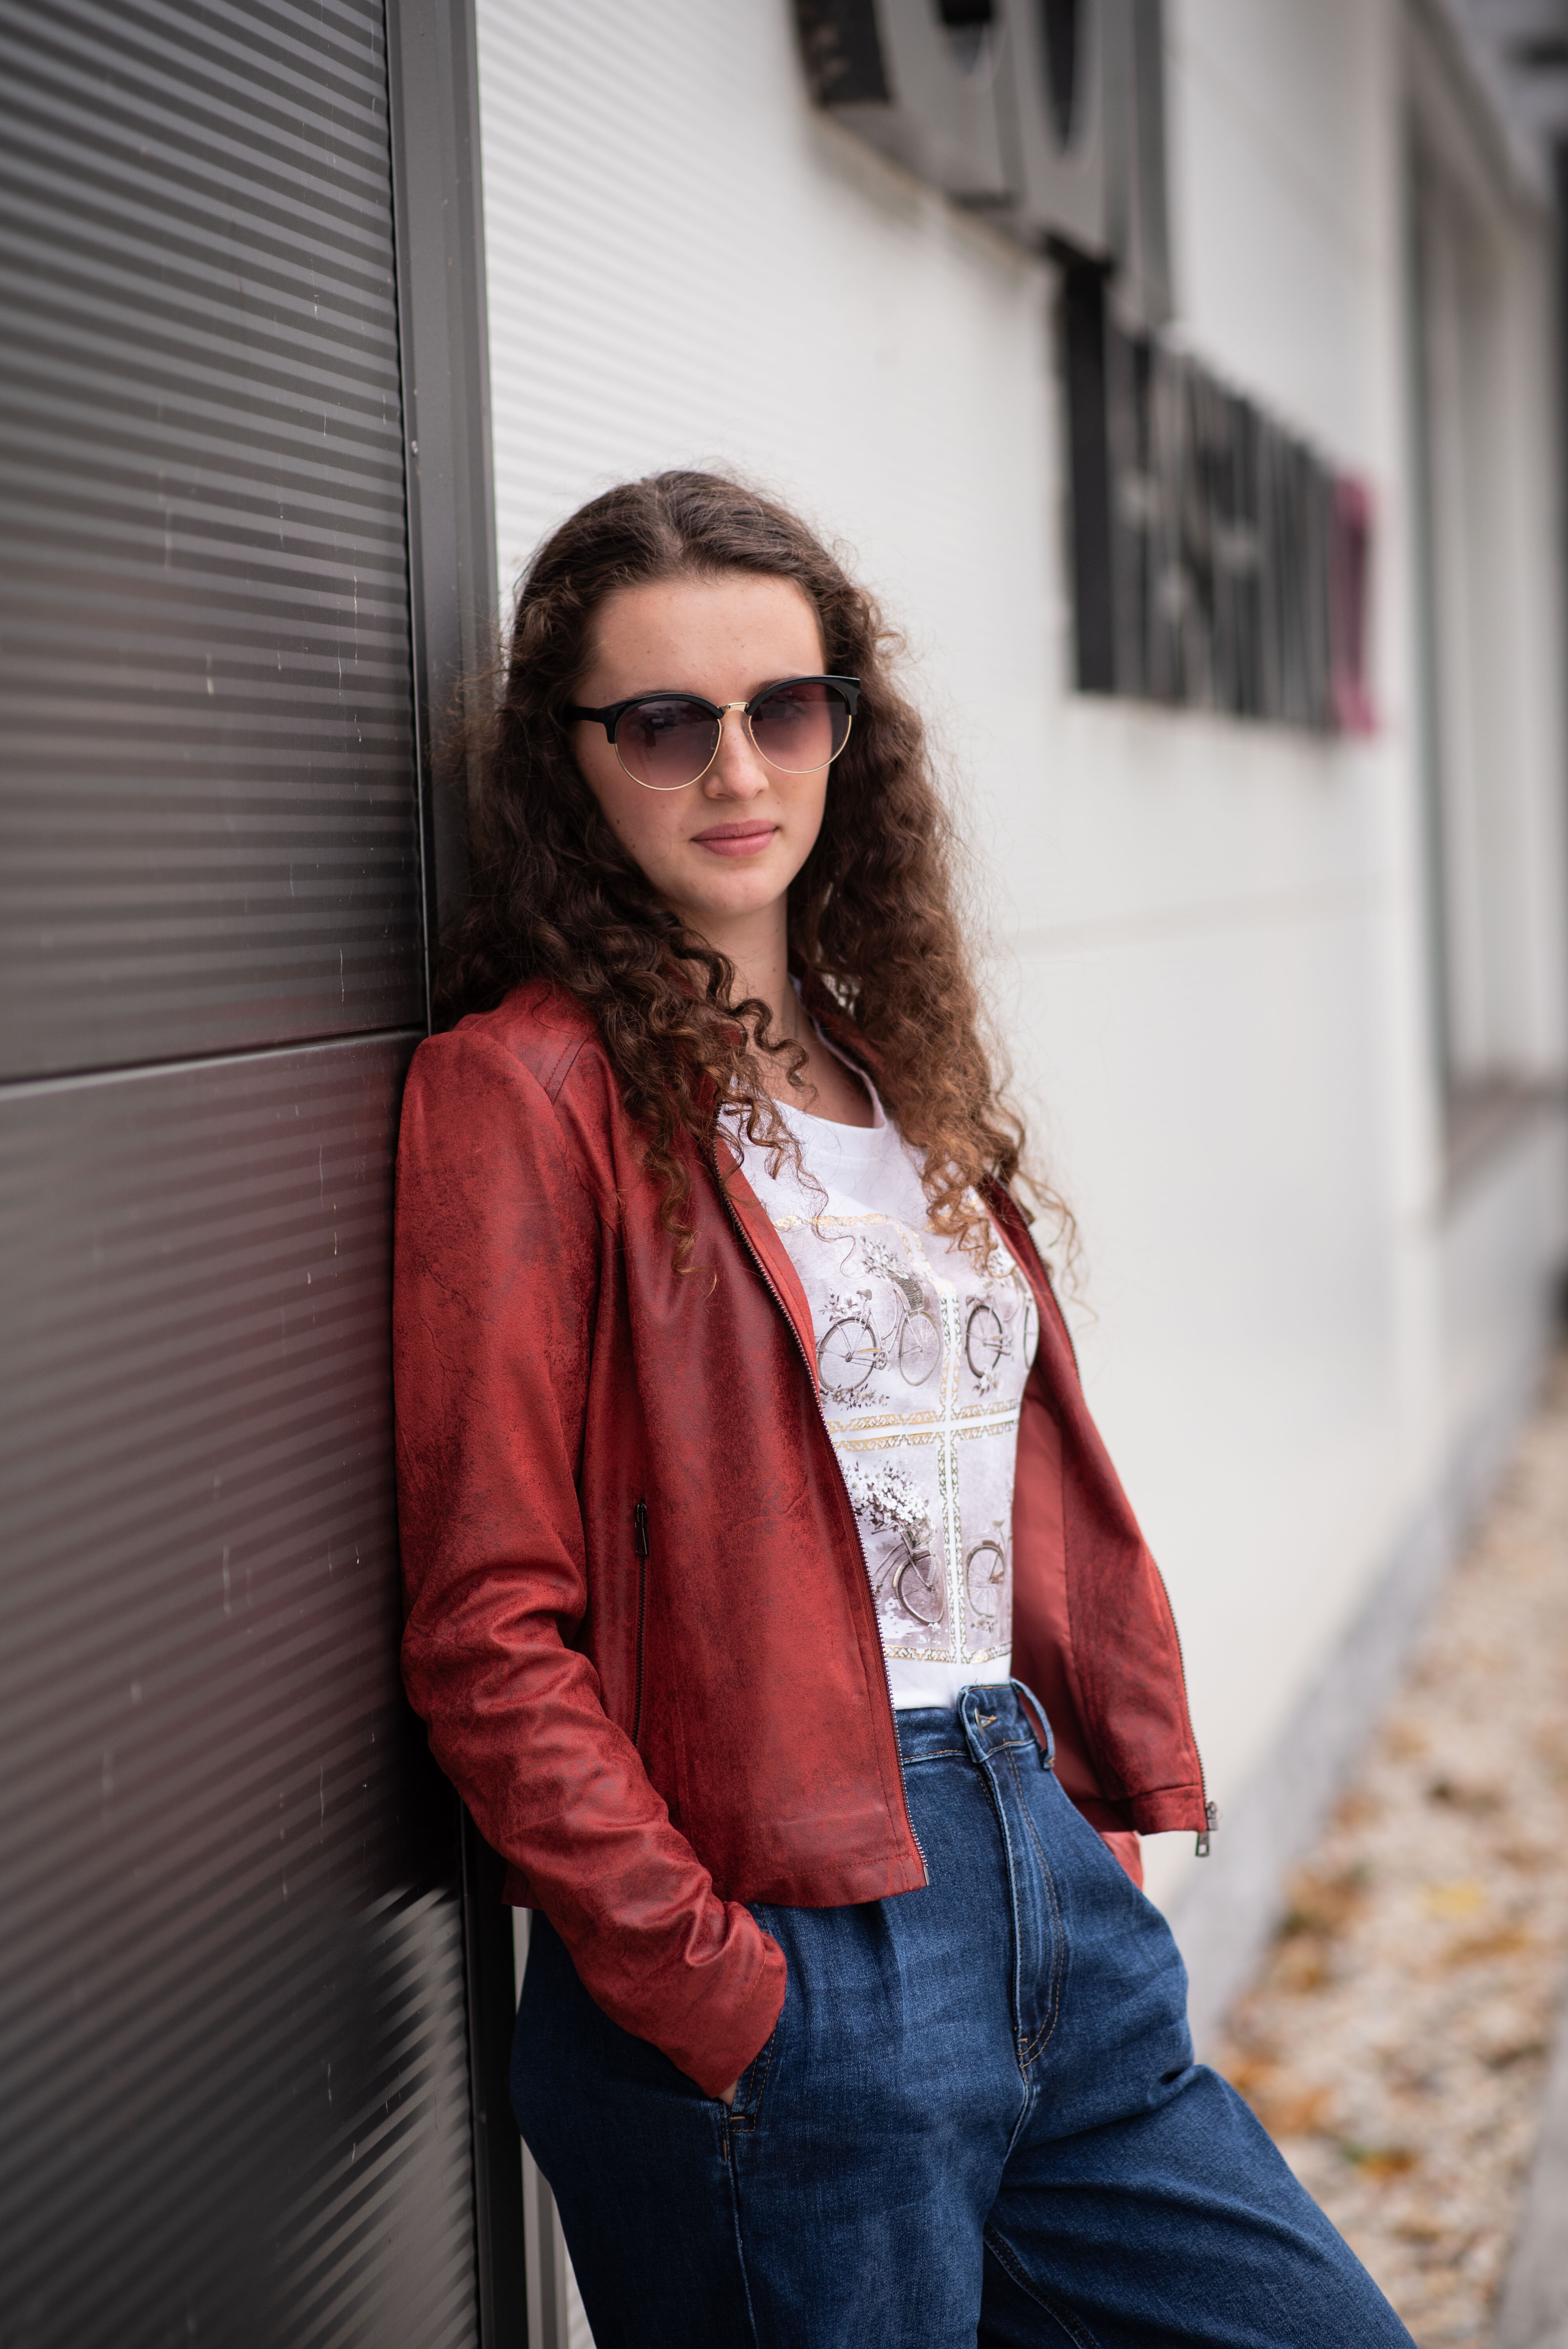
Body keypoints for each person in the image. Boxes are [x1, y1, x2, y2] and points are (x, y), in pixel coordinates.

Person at [393, 471, 1413, 2347]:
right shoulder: (524, 1094)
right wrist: (712, 1984)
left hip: (1039, 1900)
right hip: (779, 1941)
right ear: (569, 761)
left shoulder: (882, 1071)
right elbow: (488, 1627)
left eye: (783, 709)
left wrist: (1077, 1852)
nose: (735, 770)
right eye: (662, 724)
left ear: (843, 731)